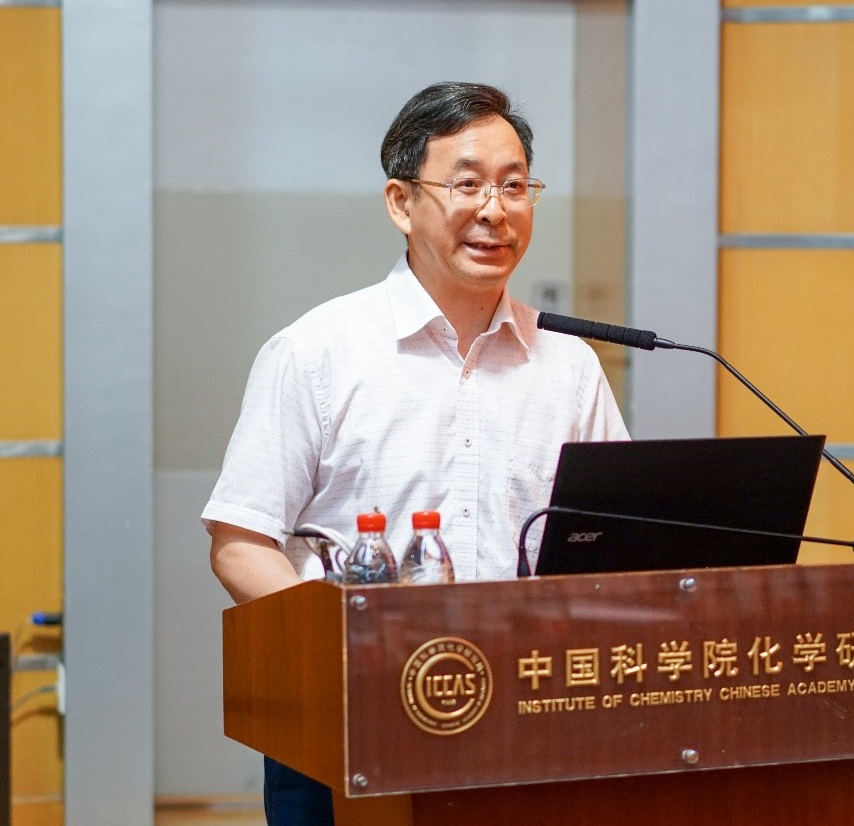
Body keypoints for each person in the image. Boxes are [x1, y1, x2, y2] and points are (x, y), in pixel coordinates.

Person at [202, 82, 629, 824]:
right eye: (467, 185)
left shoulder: (569, 365)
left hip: (530, 718)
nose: (494, 210)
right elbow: (240, 545)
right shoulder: (316, 352)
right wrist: (342, 654)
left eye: (514, 186)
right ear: (401, 202)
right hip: (348, 719)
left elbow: (622, 542)